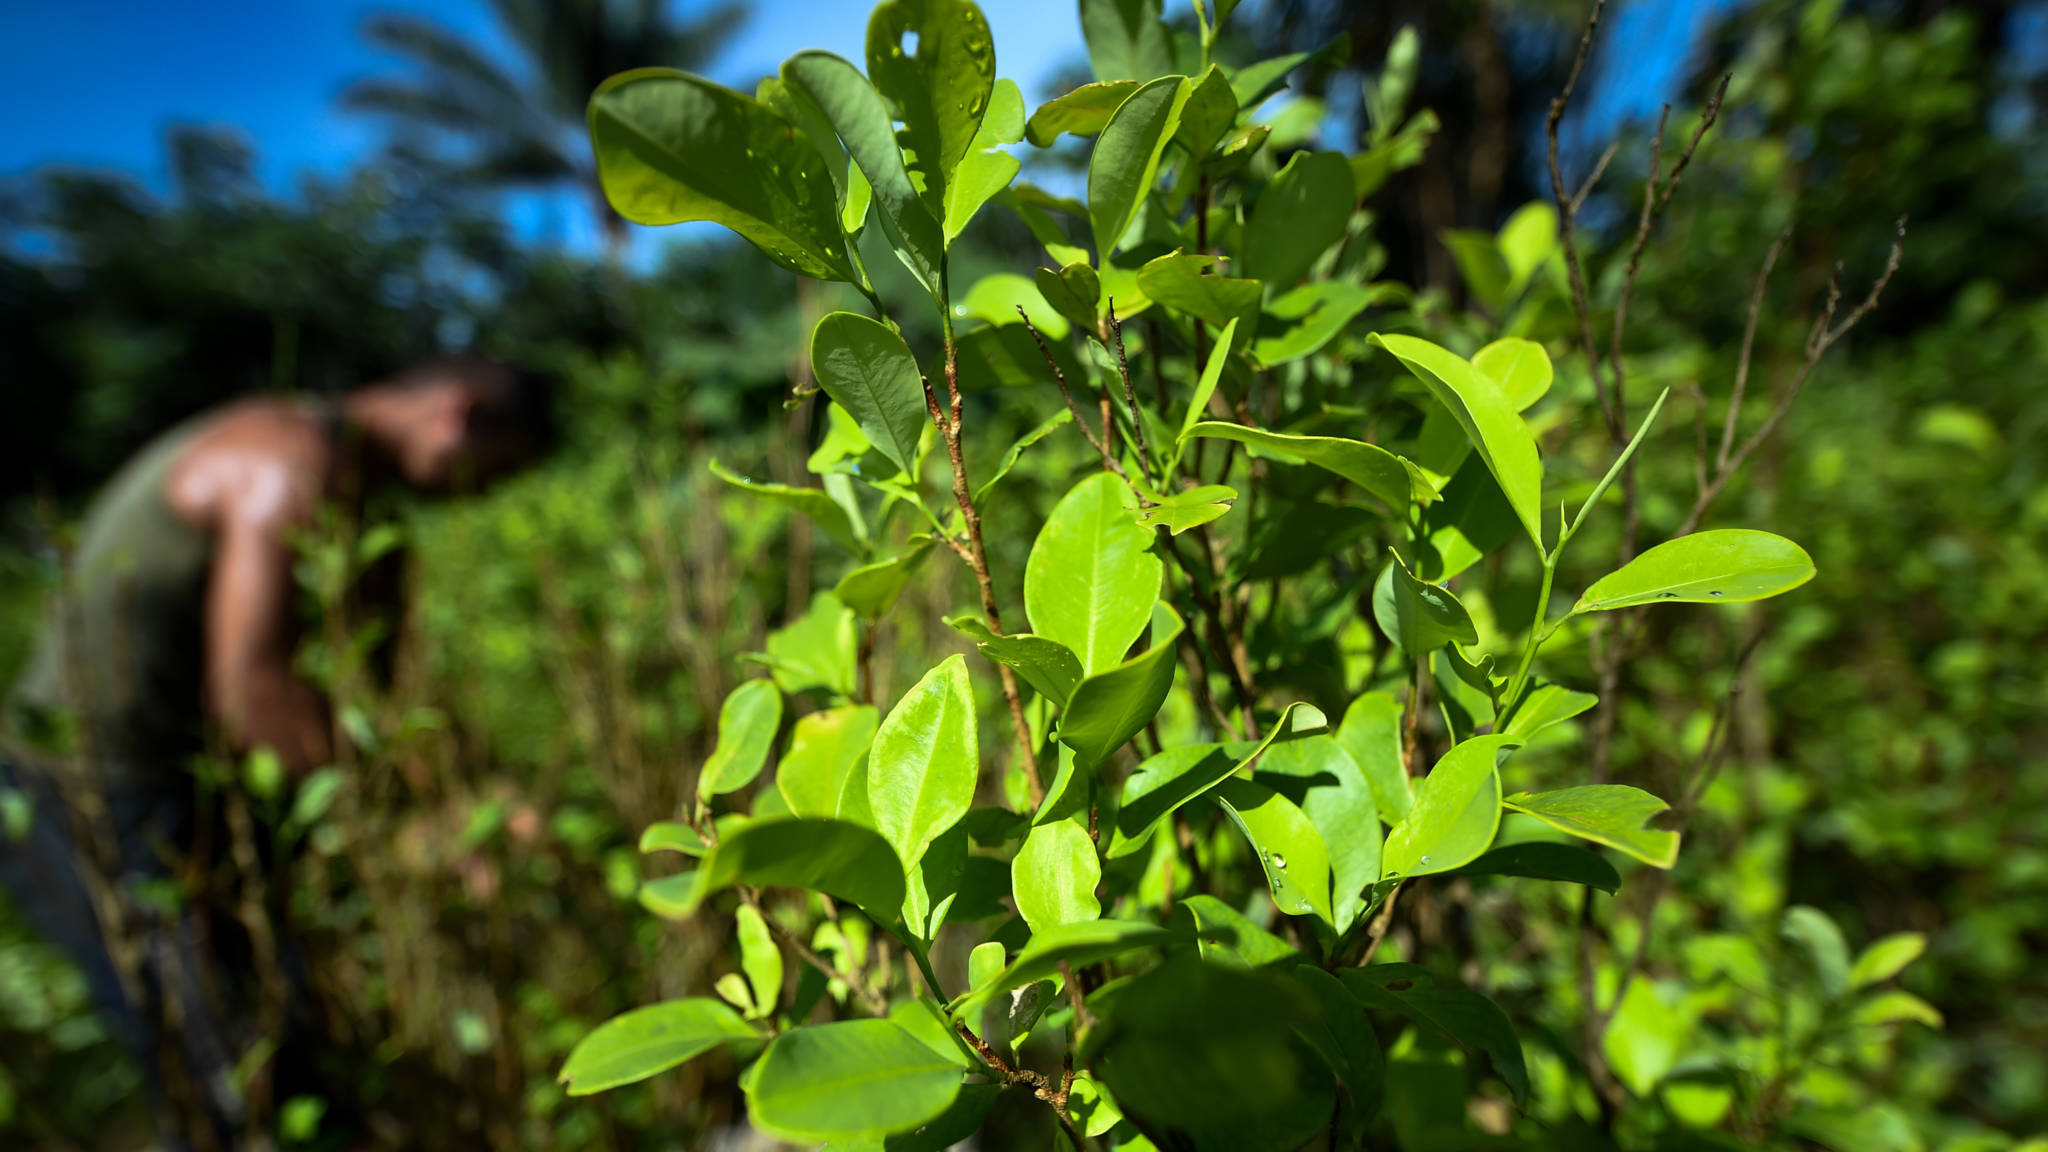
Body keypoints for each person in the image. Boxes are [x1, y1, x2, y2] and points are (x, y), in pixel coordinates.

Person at [0, 357, 553, 1150]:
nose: (479, 495)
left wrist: (473, 795)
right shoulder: (291, 458)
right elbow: (254, 689)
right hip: (88, 794)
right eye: (493, 474)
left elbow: (379, 699)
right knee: (221, 1059)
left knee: (278, 1022)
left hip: (185, 787)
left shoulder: (361, 508)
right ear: (458, 416)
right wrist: (408, 823)